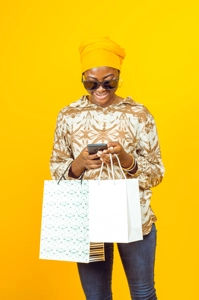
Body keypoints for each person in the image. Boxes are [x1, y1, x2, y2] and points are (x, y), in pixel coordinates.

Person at [50, 37, 164, 300]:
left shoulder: (139, 114)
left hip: (135, 215)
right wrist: (78, 165)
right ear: (82, 78)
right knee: (96, 297)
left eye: (108, 81)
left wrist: (127, 160)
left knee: (143, 294)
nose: (100, 88)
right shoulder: (68, 116)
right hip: (87, 216)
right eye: (91, 82)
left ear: (119, 76)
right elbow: (56, 170)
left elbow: (157, 173)